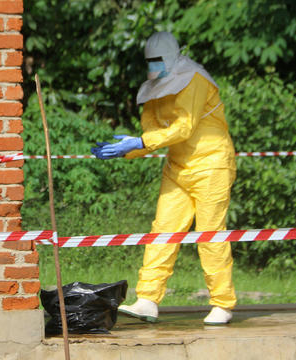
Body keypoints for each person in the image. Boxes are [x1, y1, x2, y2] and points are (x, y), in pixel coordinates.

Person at [91, 32, 237, 325]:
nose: (154, 66)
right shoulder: (154, 89)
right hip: (178, 167)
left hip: (212, 163)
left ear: (172, 57)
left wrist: (139, 142)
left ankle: (223, 303)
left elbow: (184, 128)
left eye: (159, 60)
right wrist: (126, 150)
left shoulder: (194, 79)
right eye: (150, 61)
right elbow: (151, 131)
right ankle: (147, 299)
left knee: (210, 234)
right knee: (162, 230)